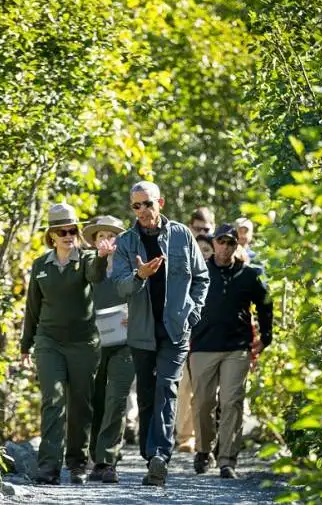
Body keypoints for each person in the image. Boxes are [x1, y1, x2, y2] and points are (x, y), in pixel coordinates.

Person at [112, 181, 210, 486]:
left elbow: (201, 278)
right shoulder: (127, 242)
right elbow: (119, 286)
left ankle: (159, 456)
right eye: (136, 206)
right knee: (145, 393)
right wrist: (139, 275)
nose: (143, 211)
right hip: (141, 330)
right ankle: (149, 451)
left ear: (161, 203)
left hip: (175, 329)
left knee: (166, 388)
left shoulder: (181, 235)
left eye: (148, 204)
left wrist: (192, 314)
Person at [19, 203, 116, 485]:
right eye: (62, 230)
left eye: (72, 229)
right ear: (52, 234)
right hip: (49, 342)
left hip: (83, 344)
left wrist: (101, 257)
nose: (68, 234)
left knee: (80, 406)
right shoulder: (41, 265)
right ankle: (48, 466)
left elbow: (96, 276)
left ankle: (76, 464)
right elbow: (32, 308)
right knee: (53, 400)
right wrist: (26, 346)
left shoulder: (85, 259)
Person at [189, 224, 273, 479]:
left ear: (237, 246)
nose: (225, 247)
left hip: (237, 348)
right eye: (221, 242)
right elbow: (179, 300)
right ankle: (204, 451)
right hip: (202, 346)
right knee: (203, 403)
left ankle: (227, 460)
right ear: (213, 243)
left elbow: (265, 303)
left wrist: (266, 336)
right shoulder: (198, 270)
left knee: (232, 402)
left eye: (230, 243)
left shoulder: (248, 275)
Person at [83, 215, 135, 484]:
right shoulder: (88, 267)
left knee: (116, 400)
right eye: (101, 235)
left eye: (112, 235)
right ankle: (93, 457)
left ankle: (107, 461)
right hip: (94, 344)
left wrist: (134, 315)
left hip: (125, 343)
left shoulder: (129, 267)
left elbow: (143, 294)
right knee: (97, 400)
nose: (107, 240)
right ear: (94, 241)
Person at [175, 208, 216, 453]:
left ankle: (206, 439)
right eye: (198, 228)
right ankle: (185, 437)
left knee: (208, 392)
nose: (202, 233)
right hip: (185, 331)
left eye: (206, 229)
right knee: (184, 387)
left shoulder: (220, 255)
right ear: (190, 227)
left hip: (212, 335)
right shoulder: (181, 253)